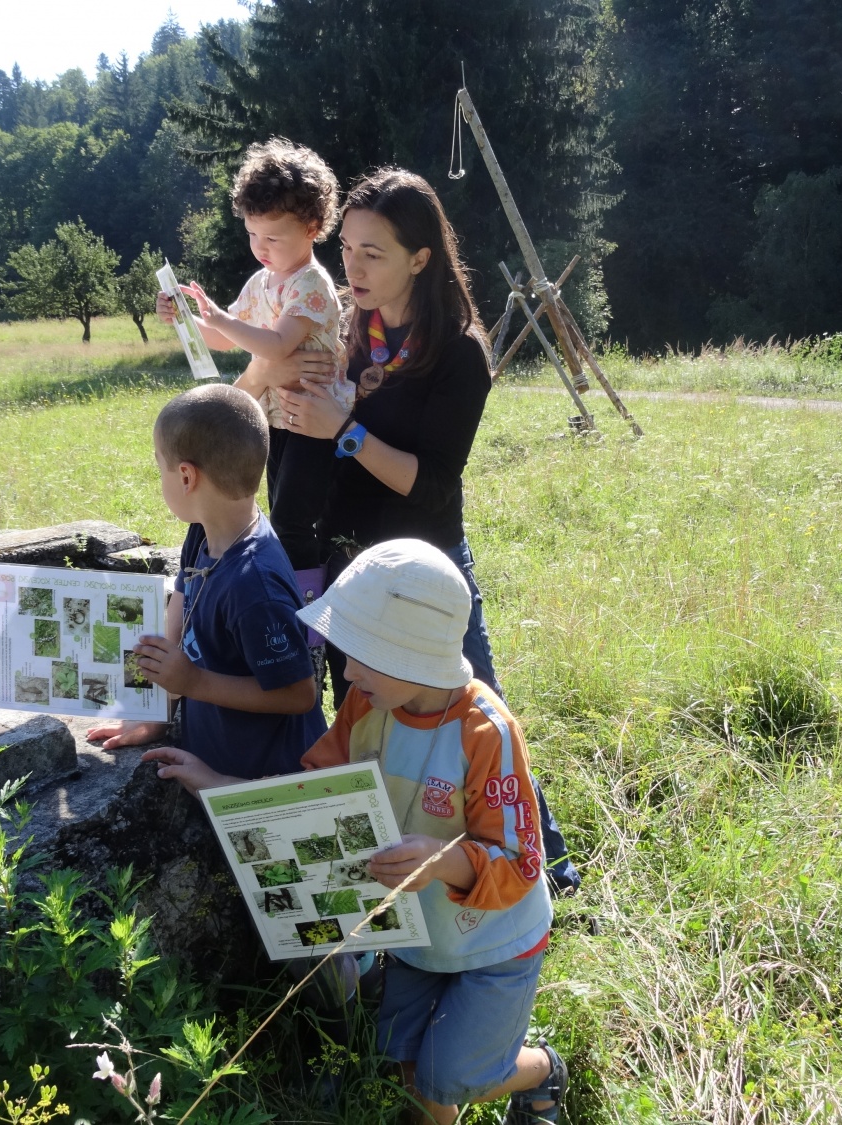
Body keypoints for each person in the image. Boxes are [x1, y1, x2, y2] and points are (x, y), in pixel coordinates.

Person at [145, 540, 568, 1125]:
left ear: (413, 656)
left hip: (493, 942)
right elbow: (317, 797)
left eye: (360, 656)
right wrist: (218, 782)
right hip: (420, 939)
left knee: (459, 1076)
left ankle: (543, 1068)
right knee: (407, 1065)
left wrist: (443, 861)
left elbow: (522, 863)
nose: (345, 672)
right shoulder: (366, 707)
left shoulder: (485, 732)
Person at [251, 167, 581, 895]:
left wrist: (345, 428)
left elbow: (431, 481)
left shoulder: (458, 353)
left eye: (375, 254)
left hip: (428, 571)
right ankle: (383, 867)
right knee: (362, 723)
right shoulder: (349, 328)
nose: (354, 268)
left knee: (478, 718)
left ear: (421, 258)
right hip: (350, 568)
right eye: (349, 249)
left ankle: (548, 869)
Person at [85, 382, 325, 780]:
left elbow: (298, 694)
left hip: (264, 781)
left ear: (185, 477)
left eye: (158, 465)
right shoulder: (205, 529)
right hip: (216, 757)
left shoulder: (254, 586)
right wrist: (157, 711)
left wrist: (192, 681)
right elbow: (181, 599)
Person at [156, 138, 349, 597]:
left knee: (292, 519)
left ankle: (306, 614)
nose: (260, 247)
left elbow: (277, 345)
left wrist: (220, 316)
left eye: (273, 237)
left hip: (313, 423)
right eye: (252, 234)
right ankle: (289, 595)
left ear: (312, 227)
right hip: (274, 418)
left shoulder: (311, 285)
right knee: (277, 510)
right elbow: (227, 338)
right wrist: (186, 320)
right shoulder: (263, 280)